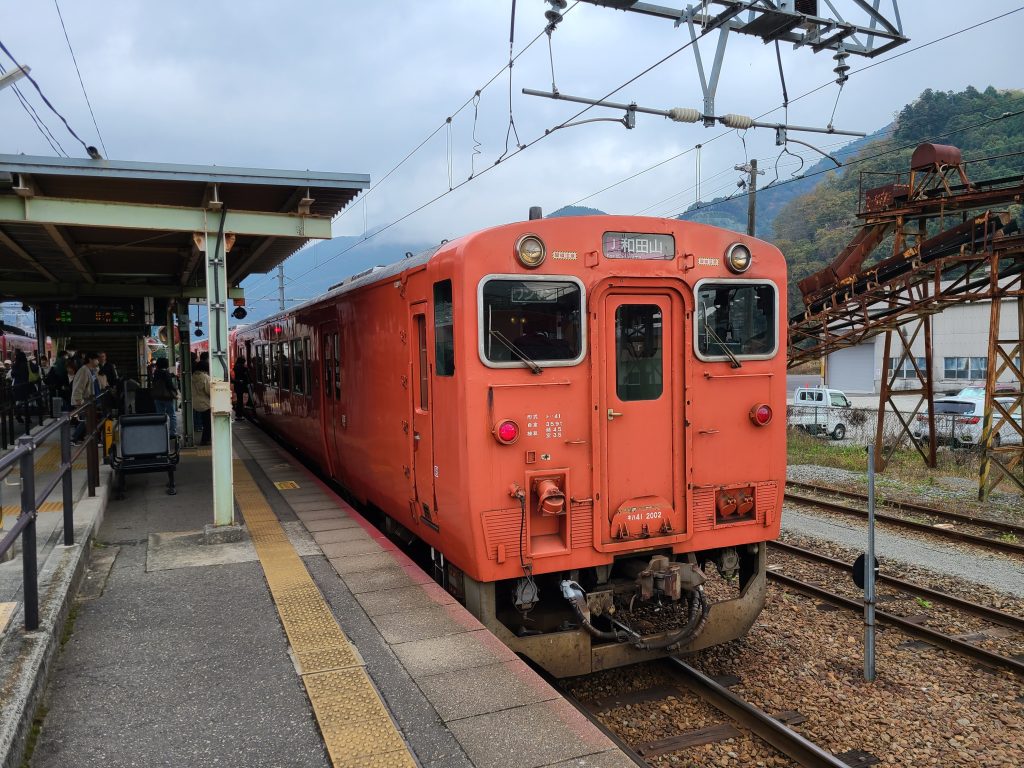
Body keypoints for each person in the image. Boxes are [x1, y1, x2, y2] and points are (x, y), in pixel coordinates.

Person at [70, 351, 100, 443]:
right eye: (96, 359)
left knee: (87, 420)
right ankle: (74, 438)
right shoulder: (84, 371)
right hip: (84, 401)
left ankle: (79, 438)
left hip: (91, 400)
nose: (98, 361)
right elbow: (78, 387)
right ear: (90, 359)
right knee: (86, 420)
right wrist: (78, 400)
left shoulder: (92, 370)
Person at [151, 357, 180, 436]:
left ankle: (161, 431)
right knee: (172, 415)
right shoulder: (166, 373)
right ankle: (172, 432)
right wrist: (175, 390)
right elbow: (169, 385)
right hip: (167, 397)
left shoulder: (156, 372)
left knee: (160, 415)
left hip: (157, 396)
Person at [191, 360, 212, 445]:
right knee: (207, 423)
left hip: (194, 402)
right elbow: (209, 391)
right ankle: (205, 440)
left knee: (200, 421)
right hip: (204, 404)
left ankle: (204, 439)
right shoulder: (205, 377)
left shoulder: (192, 376)